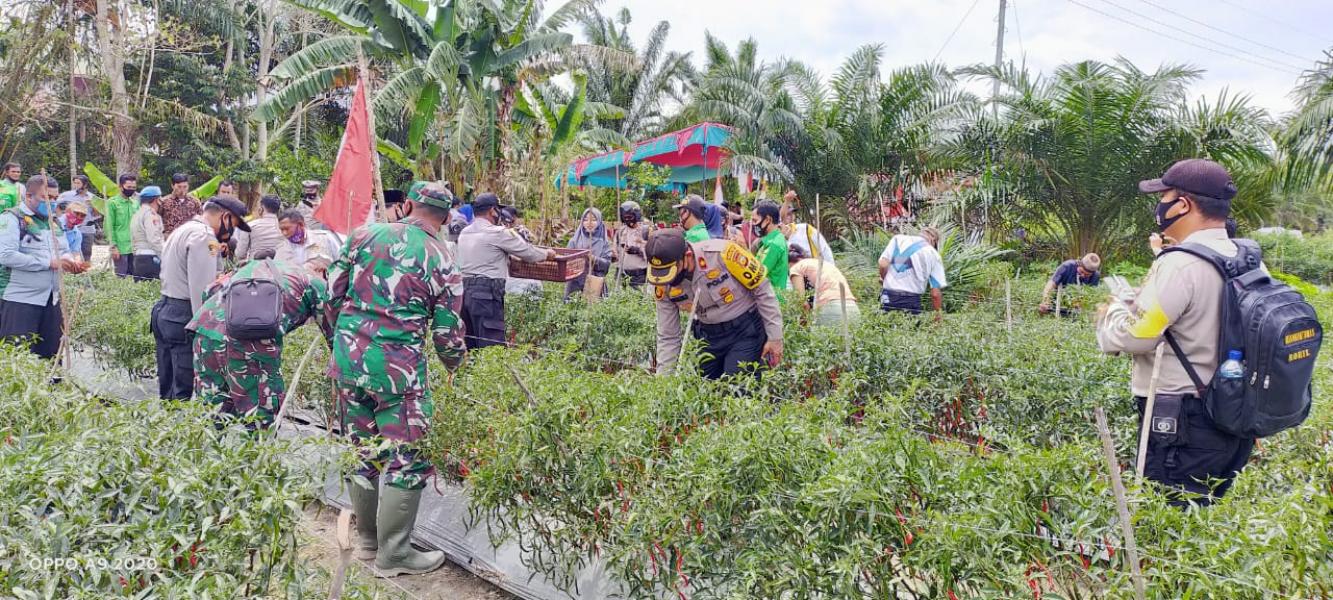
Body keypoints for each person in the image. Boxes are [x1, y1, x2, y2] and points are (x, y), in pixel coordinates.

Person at [1097, 158, 1260, 505]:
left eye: (1164, 197)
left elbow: (1137, 335)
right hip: (1234, 411)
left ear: (1183, 204)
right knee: (1208, 516)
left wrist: (1111, 313)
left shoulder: (1180, 263)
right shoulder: (1245, 256)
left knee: (1167, 519)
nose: (1160, 206)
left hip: (1183, 421)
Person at [324, 183, 465, 576]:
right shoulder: (443, 258)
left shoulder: (363, 235)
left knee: (362, 451)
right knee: (408, 457)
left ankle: (368, 541)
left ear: (408, 205)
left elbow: (332, 295)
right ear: (448, 216)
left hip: (349, 363)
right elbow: (447, 333)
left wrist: (343, 343)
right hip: (398, 371)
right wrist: (456, 366)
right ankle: (394, 554)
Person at [189, 258, 330, 429]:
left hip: (205, 333)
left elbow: (210, 289)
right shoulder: (315, 282)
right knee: (261, 418)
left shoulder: (261, 265)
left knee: (211, 411)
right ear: (323, 271)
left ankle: (207, 453)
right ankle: (252, 456)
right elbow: (334, 334)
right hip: (249, 346)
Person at [648, 228, 784, 379]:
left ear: (687, 256)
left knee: (737, 387)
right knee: (705, 388)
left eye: (671, 270)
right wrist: (663, 383)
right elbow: (668, 335)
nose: (668, 280)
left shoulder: (725, 253)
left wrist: (775, 338)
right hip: (708, 335)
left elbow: (763, 290)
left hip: (744, 330)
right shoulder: (661, 280)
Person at [154, 196, 252, 400]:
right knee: (183, 387)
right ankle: (177, 430)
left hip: (165, 310)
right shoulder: (205, 237)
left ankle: (165, 429)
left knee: (168, 386)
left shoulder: (184, 229)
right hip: (183, 314)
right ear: (225, 217)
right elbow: (203, 290)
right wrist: (207, 329)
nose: (231, 230)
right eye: (233, 224)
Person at [0, 176, 88, 360]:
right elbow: (5, 255)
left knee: (51, 356)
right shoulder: (12, 219)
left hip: (51, 299)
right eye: (46, 197)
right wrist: (48, 263)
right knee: (18, 358)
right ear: (29, 196)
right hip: (20, 300)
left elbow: (63, 250)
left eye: (55, 198)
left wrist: (70, 262)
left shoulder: (54, 223)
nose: (52, 202)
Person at [457, 192, 554, 349]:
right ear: (492, 211)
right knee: (492, 346)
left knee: (471, 342)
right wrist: (548, 254)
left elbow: (486, 254)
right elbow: (528, 253)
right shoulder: (498, 233)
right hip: (486, 293)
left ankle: (471, 372)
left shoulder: (465, 233)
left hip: (464, 292)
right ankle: (490, 374)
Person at [877, 226, 947, 319]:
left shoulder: (898, 239)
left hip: (888, 296)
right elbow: (935, 294)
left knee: (884, 329)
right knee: (909, 331)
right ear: (934, 240)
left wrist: (883, 278)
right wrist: (938, 315)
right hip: (911, 300)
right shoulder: (934, 254)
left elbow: (883, 264)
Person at [788, 246, 859, 326]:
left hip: (832, 310)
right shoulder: (822, 264)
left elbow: (802, 303)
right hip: (852, 308)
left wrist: (802, 325)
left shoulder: (796, 268)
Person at [277, 210, 341, 277]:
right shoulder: (282, 249)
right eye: (281, 230)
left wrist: (328, 269)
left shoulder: (324, 238)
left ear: (301, 224)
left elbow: (342, 262)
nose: (284, 233)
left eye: (287, 229)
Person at [565, 207, 612, 300]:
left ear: (599, 222)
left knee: (595, 310)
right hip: (575, 284)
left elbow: (607, 265)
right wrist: (578, 259)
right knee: (573, 308)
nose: (589, 223)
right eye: (585, 220)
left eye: (593, 220)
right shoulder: (574, 241)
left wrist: (593, 258)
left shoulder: (604, 243)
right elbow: (566, 262)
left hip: (595, 282)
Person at [781, 192, 835, 263]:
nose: (790, 216)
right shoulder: (778, 241)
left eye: (792, 213)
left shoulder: (805, 229)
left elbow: (824, 249)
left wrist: (831, 269)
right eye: (787, 214)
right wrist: (787, 201)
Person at [750, 199, 789, 295]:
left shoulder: (774, 245)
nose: (753, 224)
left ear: (768, 220)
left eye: (755, 220)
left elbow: (756, 273)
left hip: (770, 301)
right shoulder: (770, 240)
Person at [105, 174, 138, 278]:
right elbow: (109, 226)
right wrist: (113, 246)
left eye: (133, 188)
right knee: (121, 278)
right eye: (128, 187)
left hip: (135, 247)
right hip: (120, 248)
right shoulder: (112, 203)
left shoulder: (135, 203)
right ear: (120, 187)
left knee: (135, 278)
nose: (131, 190)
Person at [57, 175, 97, 261]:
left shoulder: (92, 197)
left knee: (86, 253)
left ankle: (83, 271)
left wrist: (93, 205)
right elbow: (56, 205)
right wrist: (61, 217)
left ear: (85, 184)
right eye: (74, 183)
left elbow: (97, 215)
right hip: (68, 228)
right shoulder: (66, 195)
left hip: (87, 229)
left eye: (78, 183)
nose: (76, 185)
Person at [129, 186, 165, 280]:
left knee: (141, 291)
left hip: (138, 258)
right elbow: (154, 239)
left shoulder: (137, 214)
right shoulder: (151, 215)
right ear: (156, 199)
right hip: (151, 258)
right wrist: (165, 256)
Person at [613, 201, 650, 287]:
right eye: (625, 217)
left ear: (636, 215)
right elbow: (616, 253)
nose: (628, 220)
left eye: (630, 217)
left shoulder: (646, 231)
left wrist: (638, 251)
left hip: (640, 276)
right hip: (622, 274)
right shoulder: (620, 232)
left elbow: (653, 253)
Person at [236, 195, 285, 260]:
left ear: (261, 209)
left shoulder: (250, 226)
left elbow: (240, 254)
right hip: (280, 268)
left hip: (254, 268)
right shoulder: (285, 228)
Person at [160, 173, 201, 238]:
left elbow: (201, 220)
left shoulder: (195, 202)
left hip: (190, 239)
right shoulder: (164, 202)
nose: (182, 190)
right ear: (172, 186)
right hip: (170, 240)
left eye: (185, 187)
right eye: (179, 187)